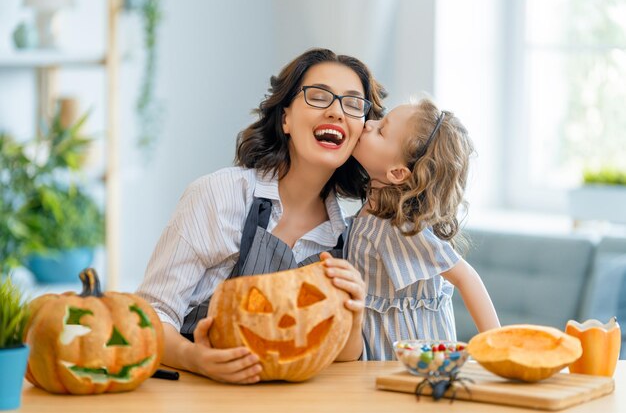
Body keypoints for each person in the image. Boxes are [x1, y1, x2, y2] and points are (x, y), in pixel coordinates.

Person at [137, 48, 386, 383]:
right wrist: (195, 358)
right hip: (198, 392)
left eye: (353, 103)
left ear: (359, 132)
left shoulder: (349, 236)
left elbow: (340, 358)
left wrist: (354, 314)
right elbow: (150, 315)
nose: (336, 111)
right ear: (285, 118)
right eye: (318, 96)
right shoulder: (219, 196)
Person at [346, 97, 500, 360]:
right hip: (377, 364)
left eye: (381, 129)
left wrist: (500, 352)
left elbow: (466, 277)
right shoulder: (371, 212)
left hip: (406, 368)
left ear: (396, 173)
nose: (368, 124)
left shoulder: (397, 227)